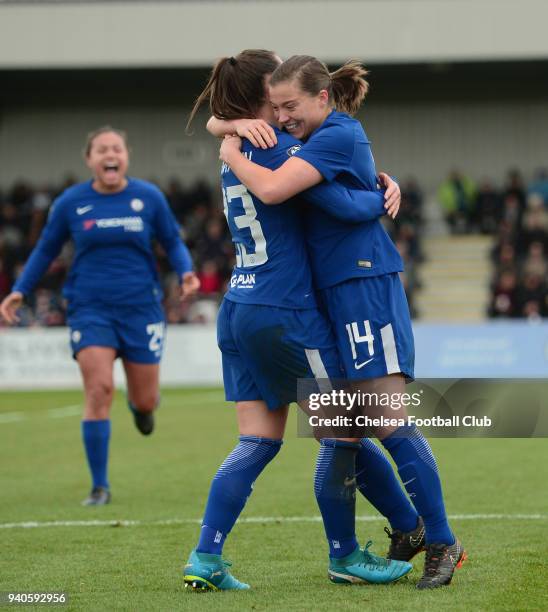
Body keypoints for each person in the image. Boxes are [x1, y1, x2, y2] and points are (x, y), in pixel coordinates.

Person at [219, 55, 466, 590]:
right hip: (327, 296)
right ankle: (405, 531)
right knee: (340, 429)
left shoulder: (336, 133)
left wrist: (230, 146)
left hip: (363, 287)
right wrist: (231, 126)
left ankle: (443, 541)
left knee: (386, 418)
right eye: (276, 107)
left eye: (292, 107)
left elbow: (327, 202)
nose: (283, 117)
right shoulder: (302, 140)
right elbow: (338, 200)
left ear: (323, 98)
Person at [183, 49, 412, 591]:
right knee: (347, 430)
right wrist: (380, 189)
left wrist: (229, 124)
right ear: (266, 92)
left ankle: (205, 557)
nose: (288, 102)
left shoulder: (236, 145)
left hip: (238, 308)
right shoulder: (279, 148)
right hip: (284, 311)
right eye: (278, 88)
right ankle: (350, 553)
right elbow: (353, 208)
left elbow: (221, 122)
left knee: (258, 441)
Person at [0, 127, 200, 506]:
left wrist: (187, 271)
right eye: (102, 149)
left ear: (126, 156)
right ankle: (99, 486)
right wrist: (19, 290)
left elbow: (172, 240)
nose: (111, 154)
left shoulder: (149, 197)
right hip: (90, 309)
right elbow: (45, 250)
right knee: (98, 390)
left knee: (145, 400)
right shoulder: (71, 202)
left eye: (117, 148)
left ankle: (141, 408)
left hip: (142, 308)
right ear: (89, 159)